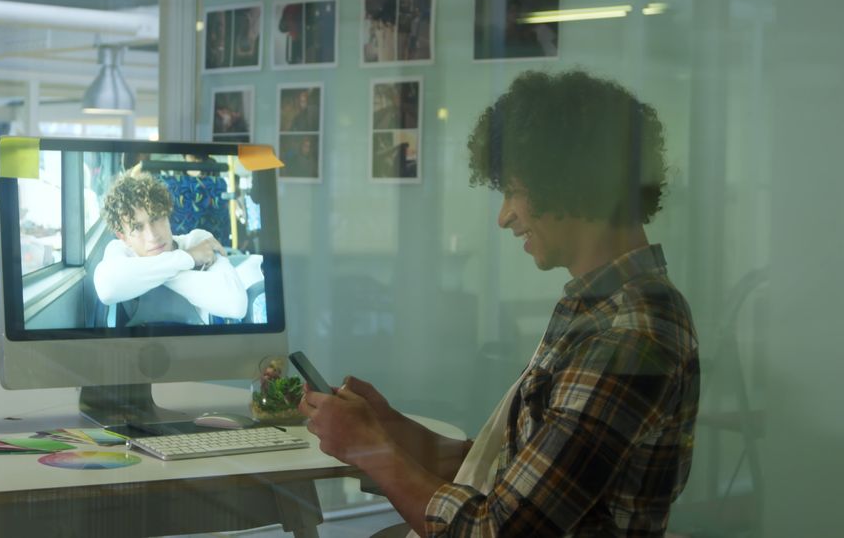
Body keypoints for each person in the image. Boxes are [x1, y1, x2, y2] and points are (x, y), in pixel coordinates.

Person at [300, 70, 700, 537]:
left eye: (514, 191)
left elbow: (495, 530)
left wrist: (372, 450)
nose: (504, 215)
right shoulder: (601, 309)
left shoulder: (629, 337)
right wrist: (388, 427)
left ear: (570, 183)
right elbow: (509, 475)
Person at [93, 172, 247, 326]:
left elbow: (237, 306)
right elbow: (107, 290)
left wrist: (157, 273)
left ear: (167, 215)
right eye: (138, 227)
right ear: (123, 237)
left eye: (156, 219)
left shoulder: (198, 240)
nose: (152, 236)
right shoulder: (120, 250)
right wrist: (188, 258)